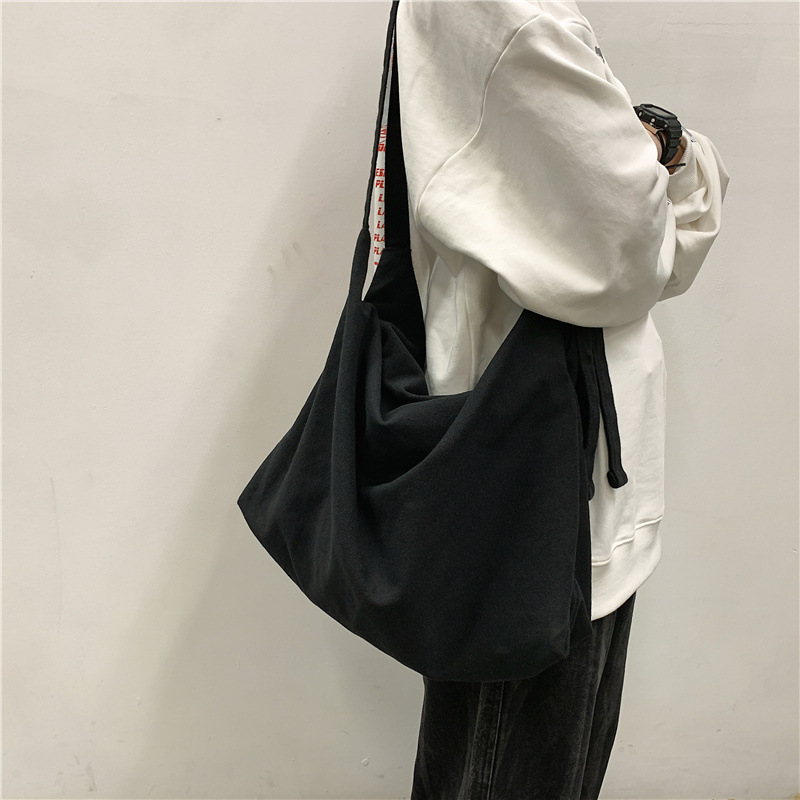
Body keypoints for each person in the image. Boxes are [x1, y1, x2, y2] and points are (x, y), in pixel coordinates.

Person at [365, 1, 730, 797]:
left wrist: (653, 156)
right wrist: (667, 147)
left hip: (560, 489)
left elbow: (648, 239)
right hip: (542, 504)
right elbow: (631, 250)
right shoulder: (511, 15)